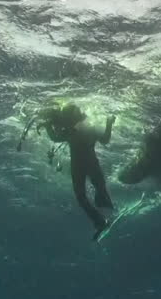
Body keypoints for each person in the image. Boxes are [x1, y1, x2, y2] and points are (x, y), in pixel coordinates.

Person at [37, 103, 117, 240]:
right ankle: (101, 219)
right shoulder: (75, 129)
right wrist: (109, 124)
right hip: (88, 164)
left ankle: (103, 216)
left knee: (92, 192)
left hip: (81, 165)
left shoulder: (79, 129)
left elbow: (55, 138)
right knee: (91, 191)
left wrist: (48, 126)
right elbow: (105, 140)